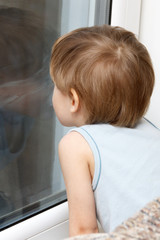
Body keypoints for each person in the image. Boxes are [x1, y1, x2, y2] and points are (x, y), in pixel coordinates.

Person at [50, 25, 160, 237]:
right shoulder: (151, 130)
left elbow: (84, 231)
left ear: (73, 100)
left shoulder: (75, 145)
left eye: (55, 84)